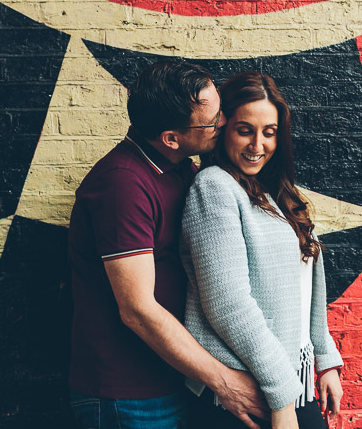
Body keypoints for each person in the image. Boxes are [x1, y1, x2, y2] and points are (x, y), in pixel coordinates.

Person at [67, 61, 267, 429]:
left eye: (219, 109)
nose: (222, 123)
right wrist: (223, 380)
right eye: (212, 122)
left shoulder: (181, 169)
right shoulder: (122, 185)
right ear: (171, 138)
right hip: (128, 396)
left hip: (174, 380)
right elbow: (138, 310)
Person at [180, 71, 344, 429]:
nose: (257, 144)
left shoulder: (275, 194)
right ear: (224, 129)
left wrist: (325, 359)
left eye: (269, 132)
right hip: (248, 394)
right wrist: (281, 399)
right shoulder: (214, 188)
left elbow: (304, 288)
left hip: (292, 383)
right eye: (245, 130)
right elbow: (228, 304)